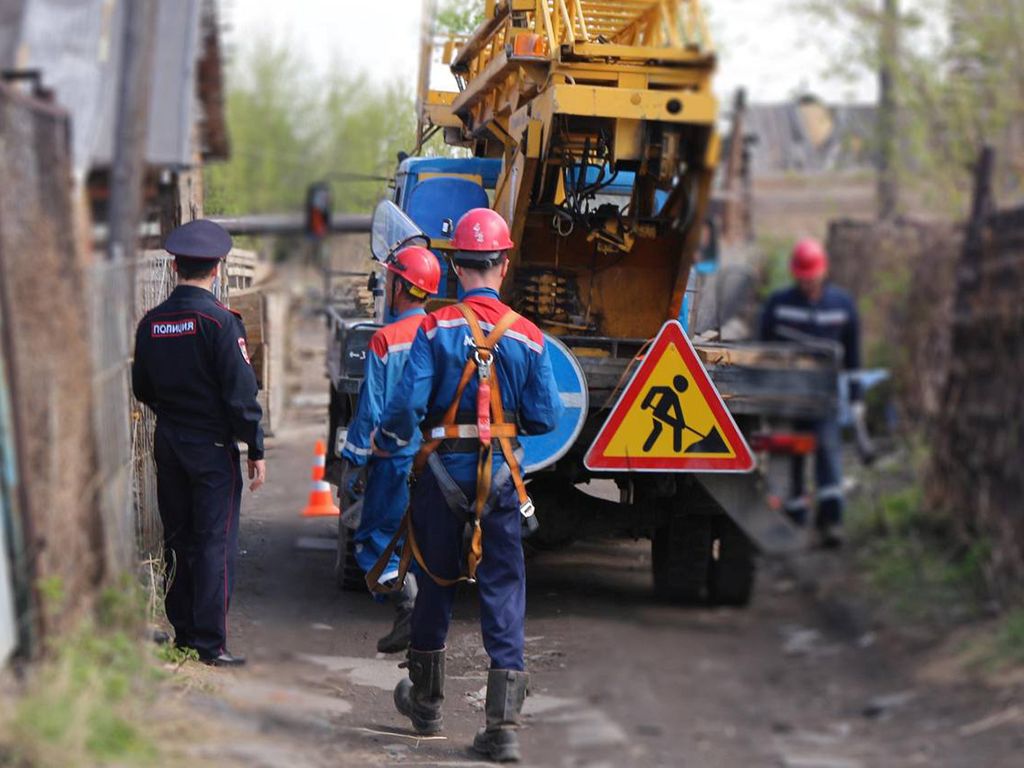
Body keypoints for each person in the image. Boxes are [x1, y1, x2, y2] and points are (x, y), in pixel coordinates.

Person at [371, 208, 563, 763]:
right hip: (502, 480)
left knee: (434, 580)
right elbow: (546, 417)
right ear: (503, 264)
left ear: (456, 266)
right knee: (504, 587)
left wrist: (391, 442)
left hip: (439, 477)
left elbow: (406, 407)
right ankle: (503, 726)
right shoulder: (528, 336)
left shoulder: (434, 328)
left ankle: (427, 705)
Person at [132, 219, 266, 667]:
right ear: (218, 268)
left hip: (168, 442)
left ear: (174, 266)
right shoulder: (221, 323)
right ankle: (211, 644)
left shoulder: (151, 324)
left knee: (178, 537)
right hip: (211, 448)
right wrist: (256, 447)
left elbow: (142, 389)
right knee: (215, 542)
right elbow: (241, 394)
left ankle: (184, 634)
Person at [339, 245, 440, 653]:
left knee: (374, 542)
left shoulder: (386, 340)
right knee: (422, 541)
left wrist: (354, 460)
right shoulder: (442, 333)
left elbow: (372, 409)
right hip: (438, 458)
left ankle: (407, 605)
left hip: (393, 459)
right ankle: (422, 619)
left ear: (400, 285)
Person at [760, 238, 861, 548]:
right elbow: (760, 352)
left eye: (812, 276)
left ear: (822, 272)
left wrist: (857, 400)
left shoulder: (841, 307)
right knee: (788, 458)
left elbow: (854, 357)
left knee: (829, 457)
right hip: (786, 400)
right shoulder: (778, 305)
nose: (807, 282)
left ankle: (831, 521)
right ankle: (794, 517)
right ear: (795, 274)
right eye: (803, 277)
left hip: (823, 400)